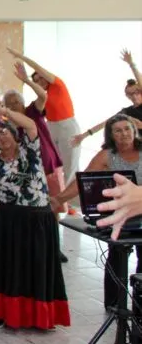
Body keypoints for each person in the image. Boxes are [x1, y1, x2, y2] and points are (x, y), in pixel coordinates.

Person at [0, 98, 70, 330]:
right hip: (8, 222)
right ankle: (1, 312)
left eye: (3, 131)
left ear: (12, 132)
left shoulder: (30, 149)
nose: (1, 137)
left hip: (39, 220)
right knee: (8, 269)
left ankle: (39, 317)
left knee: (37, 267)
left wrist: (4, 112)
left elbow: (31, 125)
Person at [52, 114, 142, 309]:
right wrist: (58, 199)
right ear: (111, 135)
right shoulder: (106, 155)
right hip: (119, 215)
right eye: (118, 131)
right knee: (117, 256)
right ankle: (114, 304)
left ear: (134, 131)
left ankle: (139, 306)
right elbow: (82, 180)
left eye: (127, 129)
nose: (124, 134)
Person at [7, 48, 81, 186]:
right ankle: (59, 198)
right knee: (57, 164)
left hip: (66, 125)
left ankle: (70, 201)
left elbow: (37, 69)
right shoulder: (41, 95)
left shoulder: (58, 85)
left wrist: (21, 57)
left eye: (41, 78)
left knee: (71, 165)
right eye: (36, 80)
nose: (39, 81)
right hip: (52, 126)